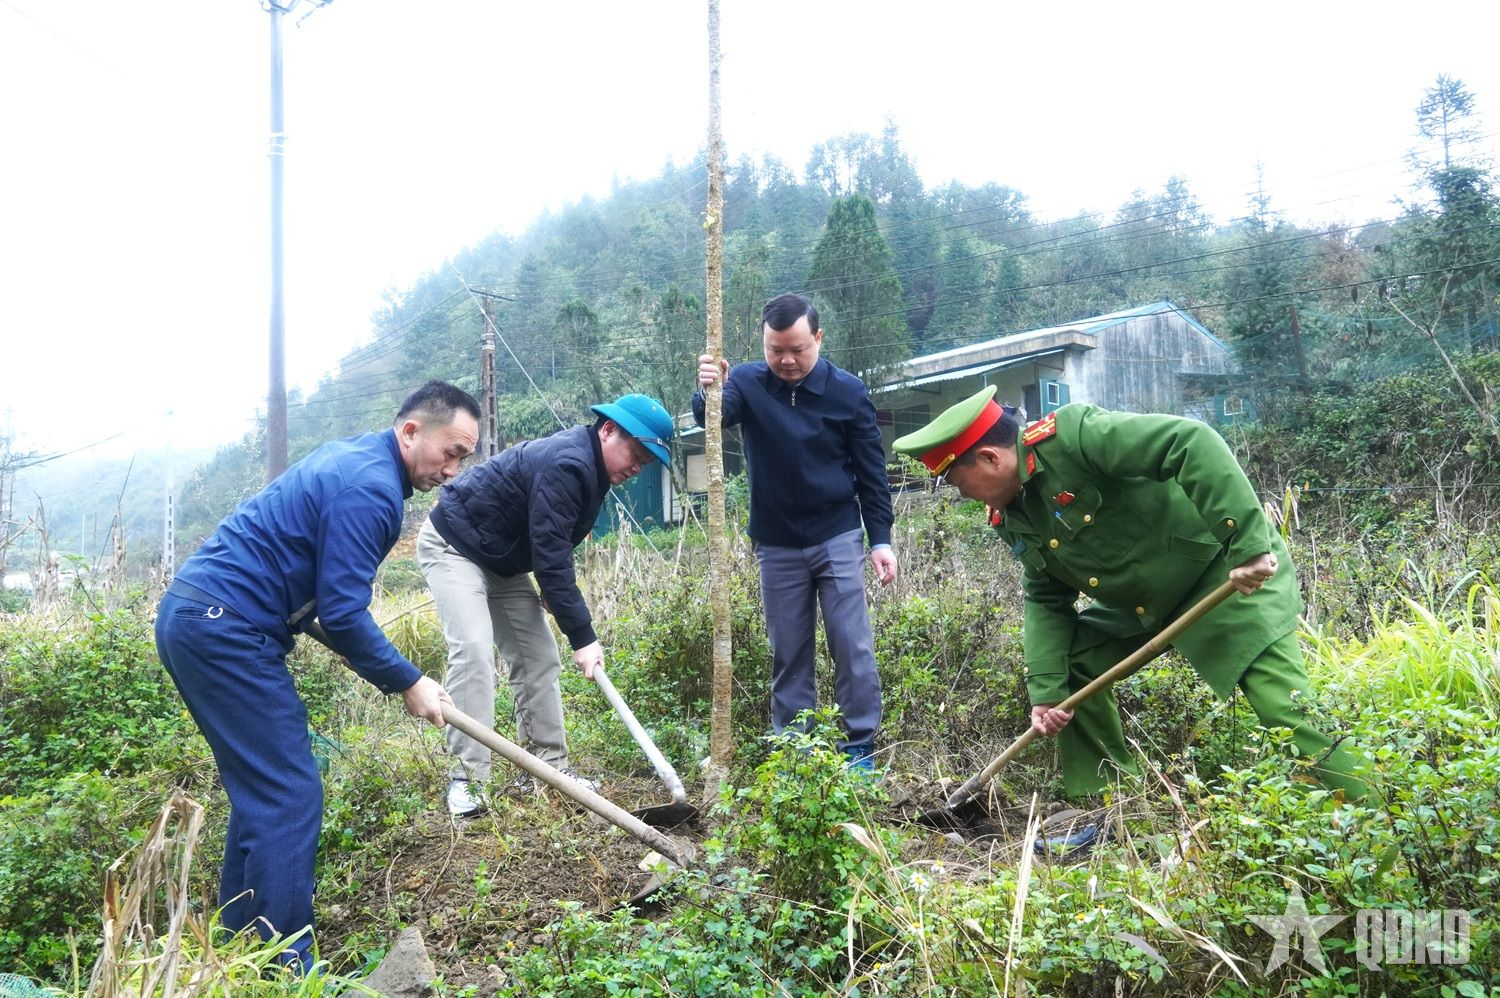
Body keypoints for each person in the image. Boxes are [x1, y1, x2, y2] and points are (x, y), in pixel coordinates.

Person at [892, 386, 1365, 804]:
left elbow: (1189, 442)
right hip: (1146, 606)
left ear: (990, 459)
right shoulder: (1009, 514)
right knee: (1069, 666)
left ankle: (1375, 822)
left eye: (958, 483)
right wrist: (1048, 693)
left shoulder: (1075, 438)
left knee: (1283, 707)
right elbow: (1046, 597)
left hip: (1226, 576)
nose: (962, 496)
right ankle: (1110, 803)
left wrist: (1247, 545)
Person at [156, 380, 478, 970]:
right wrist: (408, 680)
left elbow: (311, 595)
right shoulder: (372, 489)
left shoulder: (356, 460)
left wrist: (381, 666)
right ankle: (288, 968)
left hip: (197, 616)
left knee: (262, 792)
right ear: (411, 431)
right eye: (450, 453)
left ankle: (240, 949)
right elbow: (344, 612)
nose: (453, 470)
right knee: (288, 793)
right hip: (225, 627)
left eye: (463, 458)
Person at [419, 394, 674, 817]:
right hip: (455, 546)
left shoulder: (594, 470)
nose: (637, 467)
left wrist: (556, 595)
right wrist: (584, 637)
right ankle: (467, 781)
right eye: (636, 454)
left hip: (503, 561)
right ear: (608, 430)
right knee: (474, 650)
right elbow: (552, 557)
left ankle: (547, 770)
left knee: (538, 656)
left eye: (645, 462)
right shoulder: (568, 462)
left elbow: (550, 539)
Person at [694, 292, 897, 769]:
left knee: (851, 644)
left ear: (818, 339)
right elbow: (713, 419)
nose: (786, 360)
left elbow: (872, 472)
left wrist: (881, 540)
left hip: (837, 534)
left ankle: (859, 747)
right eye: (775, 349)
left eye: (797, 349)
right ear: (763, 343)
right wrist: (708, 389)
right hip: (776, 542)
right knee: (788, 651)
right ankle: (795, 753)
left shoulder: (848, 392)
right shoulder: (746, 382)